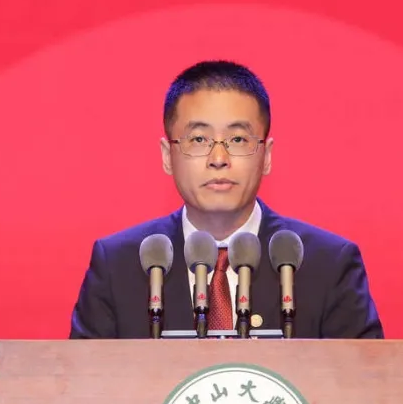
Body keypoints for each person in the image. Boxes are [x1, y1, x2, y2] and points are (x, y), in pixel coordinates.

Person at [69, 60, 384, 339]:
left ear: (266, 156)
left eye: (237, 139)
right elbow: (83, 381)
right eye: (199, 139)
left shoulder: (328, 265)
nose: (218, 158)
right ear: (167, 156)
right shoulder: (118, 265)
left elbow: (366, 381)